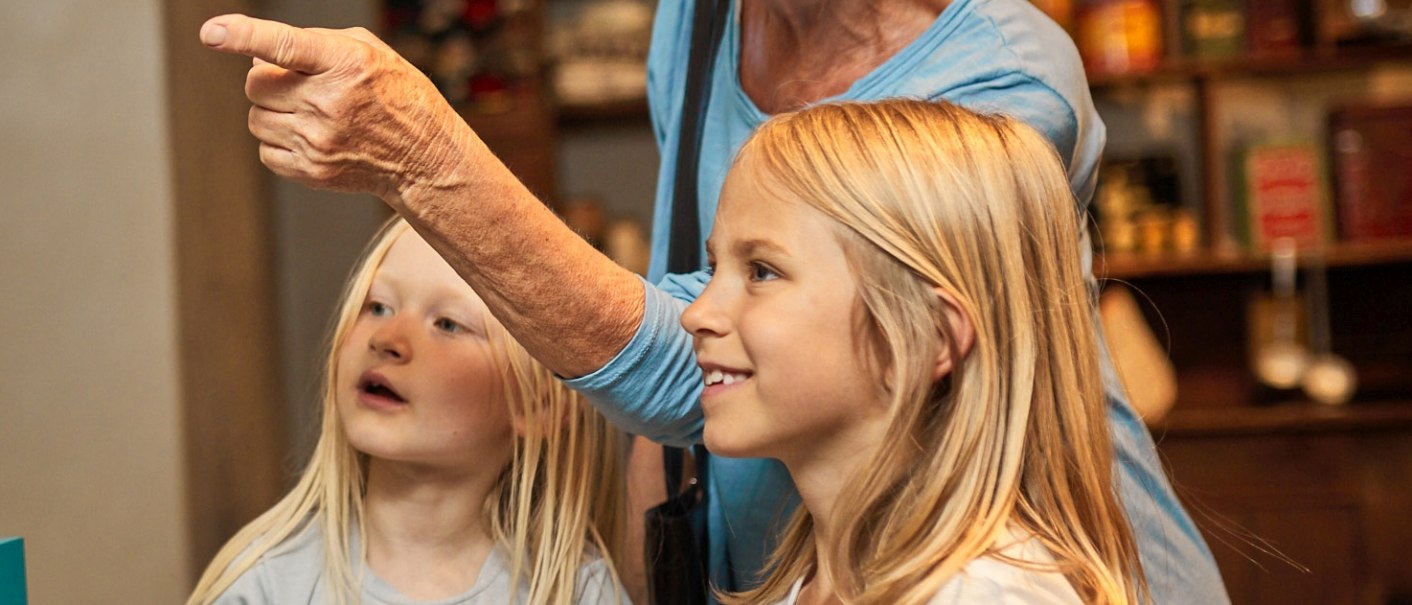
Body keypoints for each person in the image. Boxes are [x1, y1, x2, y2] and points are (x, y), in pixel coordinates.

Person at [197, 2, 1229, 602]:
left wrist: (428, 158)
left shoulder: (1007, 77)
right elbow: (685, 322)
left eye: (764, 271)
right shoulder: (696, 22)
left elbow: (677, 356)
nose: (707, 306)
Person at [687, 97, 1144, 604]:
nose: (697, 314)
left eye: (762, 272)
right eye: (714, 270)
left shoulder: (987, 596)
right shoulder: (814, 588)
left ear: (930, 336)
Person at [186, 218, 631, 605]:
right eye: (377, 307)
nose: (387, 338)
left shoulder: (576, 592)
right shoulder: (263, 585)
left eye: (448, 324)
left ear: (538, 406)